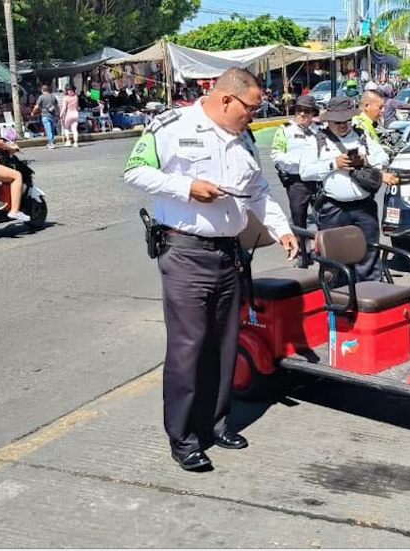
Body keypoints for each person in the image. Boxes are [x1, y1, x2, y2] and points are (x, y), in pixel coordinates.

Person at [124, 68, 297, 472]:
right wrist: (186, 188)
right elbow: (134, 171)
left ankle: (217, 424)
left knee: (225, 344)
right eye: (251, 108)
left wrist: (282, 230)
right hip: (186, 253)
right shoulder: (171, 125)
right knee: (189, 349)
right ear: (226, 100)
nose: (254, 116)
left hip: (229, 255)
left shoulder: (244, 138)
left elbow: (257, 190)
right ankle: (183, 437)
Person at [301, 96, 390, 282]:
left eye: (346, 121)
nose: (343, 126)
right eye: (338, 122)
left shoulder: (361, 135)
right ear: (329, 120)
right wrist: (334, 164)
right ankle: (339, 302)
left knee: (369, 255)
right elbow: (306, 172)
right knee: (335, 261)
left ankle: (369, 298)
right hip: (334, 208)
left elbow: (383, 158)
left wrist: (365, 160)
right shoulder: (317, 140)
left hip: (364, 207)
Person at [272, 95, 323, 267]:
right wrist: (300, 161)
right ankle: (303, 256)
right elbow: (276, 155)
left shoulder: (320, 129)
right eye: (299, 110)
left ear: (313, 114)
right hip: (297, 182)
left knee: (324, 219)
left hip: (318, 181)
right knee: (299, 220)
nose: (302, 114)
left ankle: (326, 256)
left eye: (306, 111)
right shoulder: (285, 129)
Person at [32, 85, 59, 150]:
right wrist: (58, 113)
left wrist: (33, 112)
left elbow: (37, 106)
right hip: (52, 115)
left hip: (45, 115)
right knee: (51, 129)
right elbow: (56, 105)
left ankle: (51, 142)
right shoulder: (53, 96)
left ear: (42, 90)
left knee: (48, 129)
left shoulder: (41, 97)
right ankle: (51, 141)